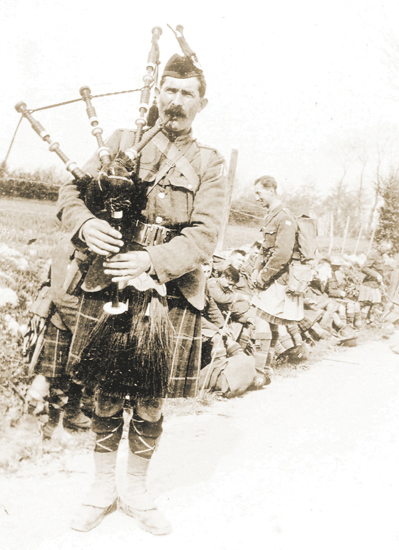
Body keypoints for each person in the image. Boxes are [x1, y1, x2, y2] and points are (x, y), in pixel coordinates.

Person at [55, 53, 226, 535]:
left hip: (167, 290)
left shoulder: (209, 163)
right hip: (108, 278)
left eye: (186, 93)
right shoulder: (120, 141)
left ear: (201, 103)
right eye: (168, 90)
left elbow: (206, 233)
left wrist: (153, 261)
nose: (175, 100)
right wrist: (86, 224)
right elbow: (70, 194)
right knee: (105, 393)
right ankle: (101, 488)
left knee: (151, 399)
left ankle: (136, 490)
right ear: (157, 94)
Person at [250, 176, 304, 376]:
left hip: (279, 278)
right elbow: (265, 247)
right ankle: (266, 367)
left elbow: (282, 254)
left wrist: (263, 277)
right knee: (268, 320)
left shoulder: (285, 217)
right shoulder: (271, 215)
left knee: (262, 318)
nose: (257, 198)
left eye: (259, 193)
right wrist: (256, 269)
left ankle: (259, 369)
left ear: (271, 190)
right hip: (268, 275)